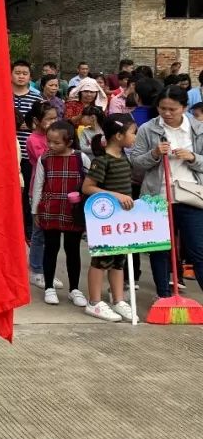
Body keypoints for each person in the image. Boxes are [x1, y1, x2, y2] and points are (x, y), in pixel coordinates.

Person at [128, 85, 203, 299]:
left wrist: (193, 157)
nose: (167, 114)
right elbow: (136, 162)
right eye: (162, 109)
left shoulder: (199, 128)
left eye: (173, 109)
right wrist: (153, 154)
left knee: (198, 251)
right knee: (160, 250)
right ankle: (164, 297)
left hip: (192, 197)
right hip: (157, 198)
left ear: (185, 107)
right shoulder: (148, 129)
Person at [81, 115, 139, 322]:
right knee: (101, 259)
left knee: (119, 259)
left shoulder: (124, 157)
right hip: (106, 219)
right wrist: (117, 196)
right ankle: (94, 302)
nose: (135, 137)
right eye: (133, 133)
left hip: (122, 221)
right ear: (118, 135)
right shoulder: (102, 161)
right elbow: (87, 187)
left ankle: (118, 300)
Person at [31, 120, 89, 308]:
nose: (51, 146)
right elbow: (38, 184)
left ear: (69, 142)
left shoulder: (81, 158)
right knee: (51, 248)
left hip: (74, 211)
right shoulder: (45, 159)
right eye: (49, 141)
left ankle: (74, 289)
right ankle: (49, 286)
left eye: (57, 143)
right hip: (50, 208)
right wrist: (35, 210)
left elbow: (89, 184)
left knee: (73, 250)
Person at [25, 102, 60, 287]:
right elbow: (47, 159)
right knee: (39, 233)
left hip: (57, 190)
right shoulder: (33, 140)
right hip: (39, 190)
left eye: (55, 118)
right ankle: (36, 269)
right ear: (38, 120)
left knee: (52, 233)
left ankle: (48, 270)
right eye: (49, 119)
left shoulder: (57, 136)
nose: (53, 122)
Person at [12, 60, 43, 247]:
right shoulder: (1, 93)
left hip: (29, 152)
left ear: (30, 77)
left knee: (26, 196)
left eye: (25, 73)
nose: (21, 76)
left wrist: (30, 125)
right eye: (17, 72)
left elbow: (42, 123)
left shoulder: (36, 98)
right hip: (8, 153)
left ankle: (27, 233)